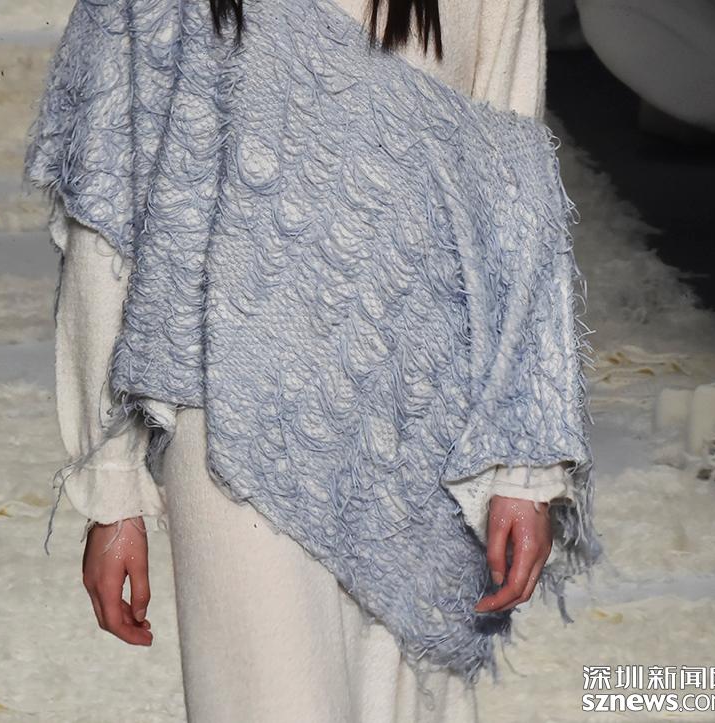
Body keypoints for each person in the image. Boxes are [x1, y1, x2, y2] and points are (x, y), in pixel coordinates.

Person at [43, 0, 584, 719]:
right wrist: (110, 483)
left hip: (419, 423)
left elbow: (514, 199)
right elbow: (111, 201)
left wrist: (523, 467)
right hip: (233, 422)